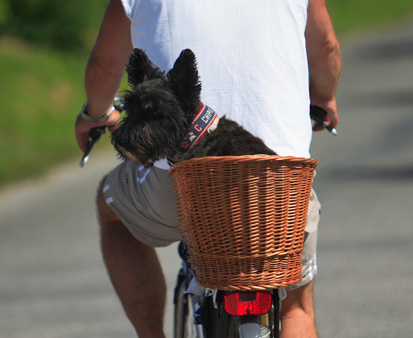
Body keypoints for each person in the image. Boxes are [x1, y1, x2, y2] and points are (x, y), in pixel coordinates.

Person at [75, 0, 341, 337]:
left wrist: (95, 116)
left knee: (109, 205)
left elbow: (103, 65)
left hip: (179, 177)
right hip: (279, 182)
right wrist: (325, 97)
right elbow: (326, 45)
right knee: (295, 309)